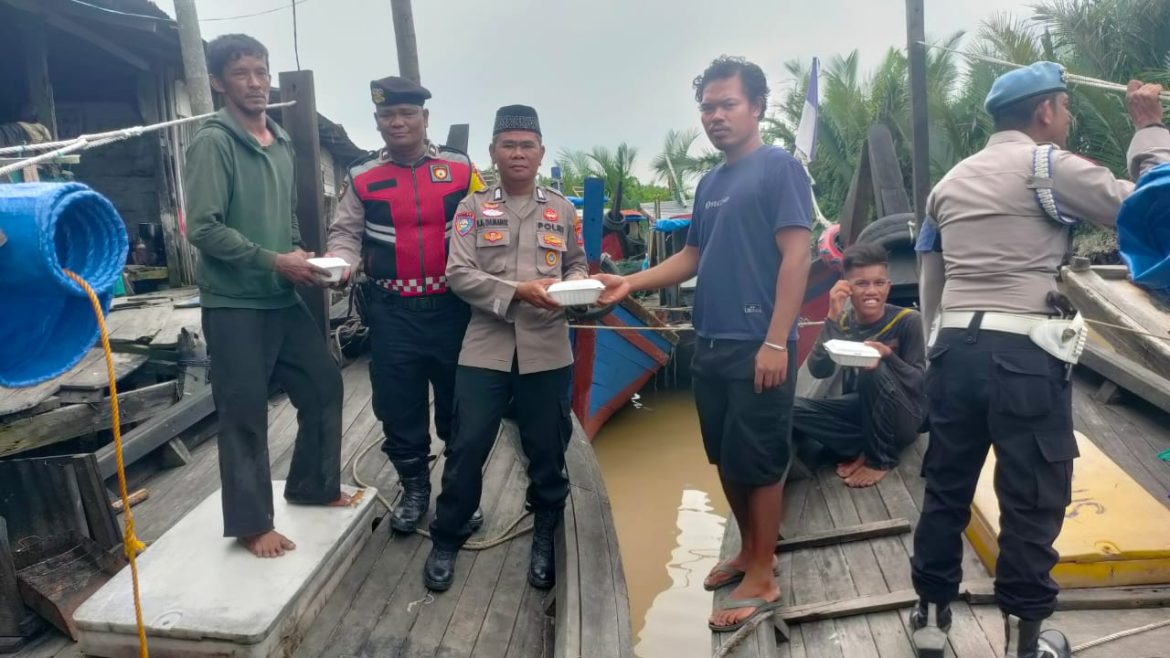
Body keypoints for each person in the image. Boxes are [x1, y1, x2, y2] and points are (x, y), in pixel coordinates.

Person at [910, 62, 1170, 658]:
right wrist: (1150, 130)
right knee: (1032, 495)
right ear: (1046, 111)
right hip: (1022, 357)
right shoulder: (1047, 166)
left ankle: (929, 618)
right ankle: (1024, 640)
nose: (1069, 119)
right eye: (1065, 108)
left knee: (947, 485)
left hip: (952, 350)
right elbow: (1150, 206)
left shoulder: (947, 183)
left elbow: (933, 273)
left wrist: (937, 350)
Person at [594, 56, 812, 632]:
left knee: (762, 460)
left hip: (757, 342)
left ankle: (763, 574)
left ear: (757, 106)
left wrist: (775, 341)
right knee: (725, 454)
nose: (715, 116)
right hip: (711, 337)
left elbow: (797, 254)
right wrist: (630, 281)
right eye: (707, 107)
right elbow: (693, 256)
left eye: (727, 105)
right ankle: (746, 550)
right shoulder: (711, 181)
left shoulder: (779, 168)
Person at [184, 34, 353, 559]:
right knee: (243, 411)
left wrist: (303, 257)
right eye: (242, 74)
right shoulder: (213, 140)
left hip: (282, 296)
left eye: (261, 72)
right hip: (234, 303)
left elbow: (285, 218)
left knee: (324, 386)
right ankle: (252, 524)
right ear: (218, 82)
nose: (256, 83)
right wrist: (272, 260)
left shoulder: (279, 141)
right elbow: (203, 229)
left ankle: (312, 486)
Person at [423, 105, 587, 592]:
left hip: (548, 348)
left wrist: (574, 287)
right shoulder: (472, 209)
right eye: (508, 145)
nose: (518, 153)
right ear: (492, 152)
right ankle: (448, 534)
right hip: (485, 347)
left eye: (527, 145)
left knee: (546, 447)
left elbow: (577, 264)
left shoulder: (562, 209)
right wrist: (517, 290)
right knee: (467, 445)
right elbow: (458, 273)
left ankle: (543, 530)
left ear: (541, 153)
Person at [326, 76, 486, 534]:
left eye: (406, 114)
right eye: (387, 116)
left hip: (454, 309)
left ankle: (460, 495)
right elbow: (344, 233)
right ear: (377, 122)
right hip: (391, 312)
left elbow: (486, 220)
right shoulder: (360, 176)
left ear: (424, 118)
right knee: (398, 407)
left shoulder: (459, 168)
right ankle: (414, 488)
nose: (397, 122)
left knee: (461, 407)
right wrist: (340, 262)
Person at [793, 242, 925, 488]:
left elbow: (920, 383)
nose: (871, 291)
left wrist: (888, 356)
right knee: (788, 407)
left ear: (888, 286)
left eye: (878, 283)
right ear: (846, 287)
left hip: (904, 417)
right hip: (863, 412)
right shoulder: (843, 322)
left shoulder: (908, 321)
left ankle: (880, 460)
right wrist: (831, 316)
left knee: (873, 369)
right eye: (861, 284)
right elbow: (819, 370)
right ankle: (866, 445)